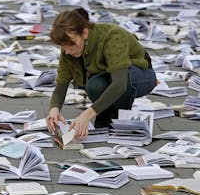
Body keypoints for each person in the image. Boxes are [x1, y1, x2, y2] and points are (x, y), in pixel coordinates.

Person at [46, 8, 156, 140]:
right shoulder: (68, 49)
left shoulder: (112, 35)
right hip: (108, 76)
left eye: (71, 44)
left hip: (139, 75)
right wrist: (54, 109)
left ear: (85, 33)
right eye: (63, 46)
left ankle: (119, 119)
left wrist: (88, 114)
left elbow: (120, 84)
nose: (68, 51)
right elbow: (61, 85)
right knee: (95, 85)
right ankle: (104, 118)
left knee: (121, 80)